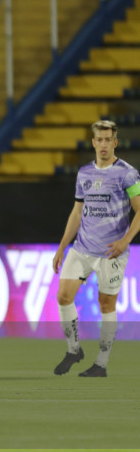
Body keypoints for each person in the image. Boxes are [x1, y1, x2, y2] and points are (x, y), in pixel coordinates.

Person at [52, 120, 140, 377]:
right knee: (63, 297)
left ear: (115, 142)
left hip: (111, 252)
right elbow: (77, 213)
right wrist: (61, 248)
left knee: (106, 305)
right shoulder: (84, 173)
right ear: (93, 142)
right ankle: (74, 349)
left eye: (107, 139)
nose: (103, 144)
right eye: (98, 139)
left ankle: (100, 364)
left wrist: (125, 241)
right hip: (81, 249)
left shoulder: (128, 173)